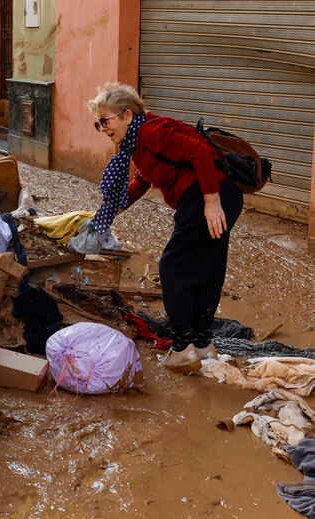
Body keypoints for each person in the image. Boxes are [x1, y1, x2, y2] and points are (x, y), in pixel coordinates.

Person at [88, 82, 243, 374]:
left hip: (209, 195)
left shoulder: (151, 131)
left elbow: (198, 152)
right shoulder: (137, 142)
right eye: (99, 123)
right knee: (208, 270)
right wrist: (120, 205)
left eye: (106, 120)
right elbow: (144, 178)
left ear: (127, 115)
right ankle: (203, 343)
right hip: (216, 195)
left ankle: (183, 347)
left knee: (173, 267)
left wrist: (211, 201)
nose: (103, 128)